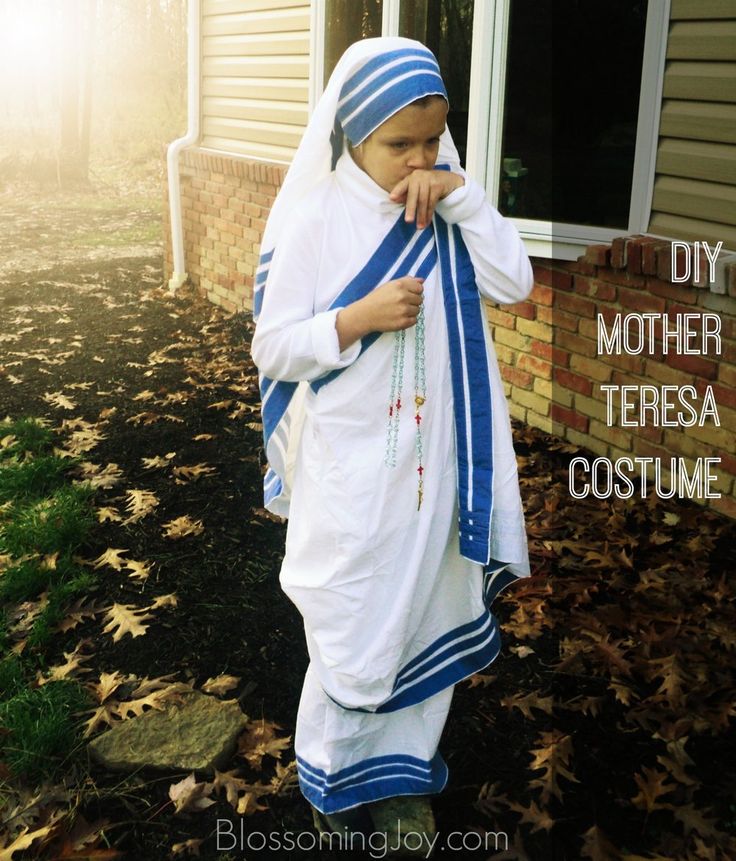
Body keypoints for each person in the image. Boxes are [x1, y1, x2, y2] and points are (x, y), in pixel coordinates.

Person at [251, 37, 533, 850]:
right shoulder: (314, 217)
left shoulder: (448, 203)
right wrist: (355, 319)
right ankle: (331, 773)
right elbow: (272, 348)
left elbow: (516, 285)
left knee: (418, 609)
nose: (417, 159)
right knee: (353, 615)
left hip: (435, 462)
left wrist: (467, 199)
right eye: (397, 144)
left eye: (432, 142)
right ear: (353, 133)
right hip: (351, 469)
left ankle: (403, 778)